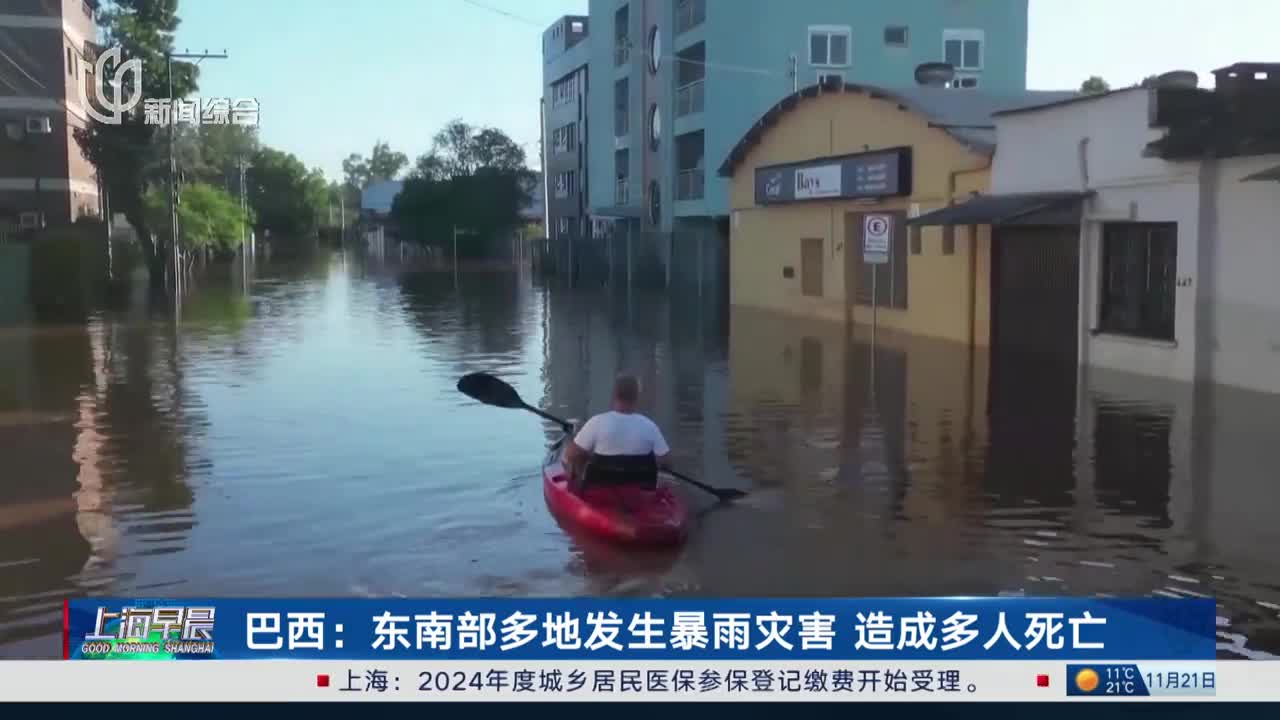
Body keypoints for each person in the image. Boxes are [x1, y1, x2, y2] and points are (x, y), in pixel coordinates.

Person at [561, 374, 671, 494]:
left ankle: (574, 494)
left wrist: (585, 453)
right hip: (639, 493)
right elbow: (666, 461)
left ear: (614, 395)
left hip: (599, 490)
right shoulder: (650, 426)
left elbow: (570, 455)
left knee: (573, 451)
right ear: (637, 397)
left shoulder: (597, 422)